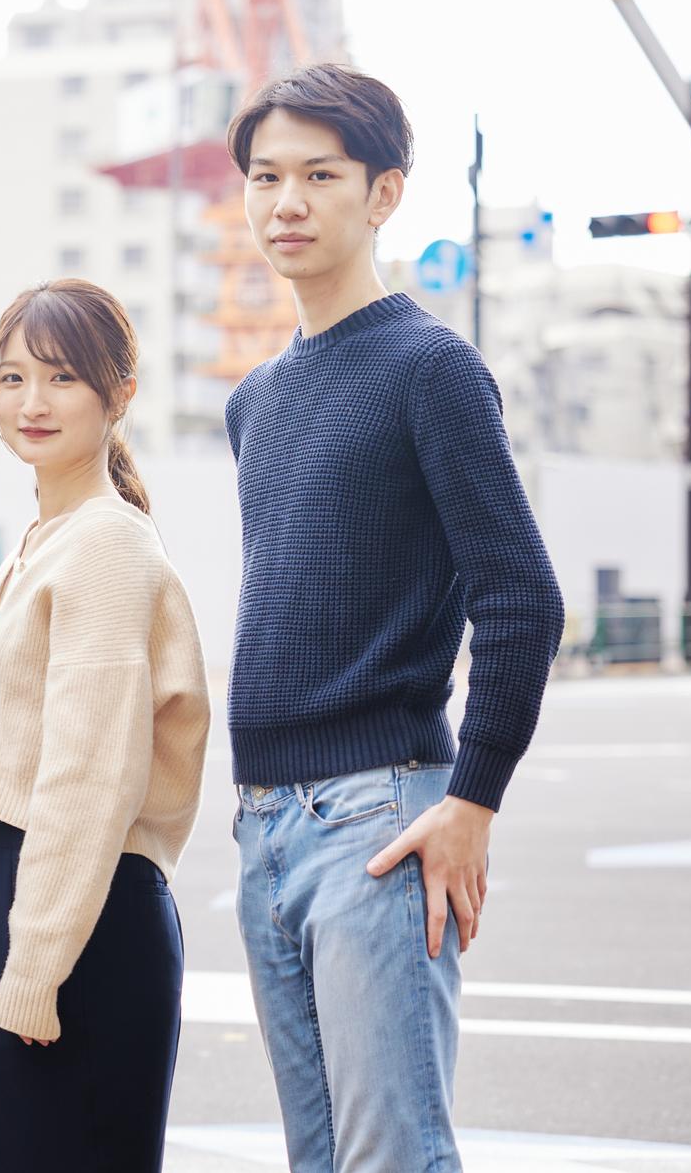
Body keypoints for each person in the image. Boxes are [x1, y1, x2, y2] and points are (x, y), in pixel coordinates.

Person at [221, 63, 565, 1171]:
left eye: (320, 175)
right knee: (320, 1158)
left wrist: (474, 800)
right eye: (265, 176)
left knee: (390, 1156)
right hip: (264, 823)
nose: (287, 201)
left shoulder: (431, 369)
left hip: (378, 816)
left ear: (383, 194)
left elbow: (522, 595)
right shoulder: (254, 399)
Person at [0, 279, 209, 1172]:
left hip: (77, 917)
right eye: (13, 377)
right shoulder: (44, 539)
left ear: (118, 393)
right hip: (25, 896)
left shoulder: (105, 544)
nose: (33, 400)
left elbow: (88, 778)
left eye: (62, 377)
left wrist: (33, 963)